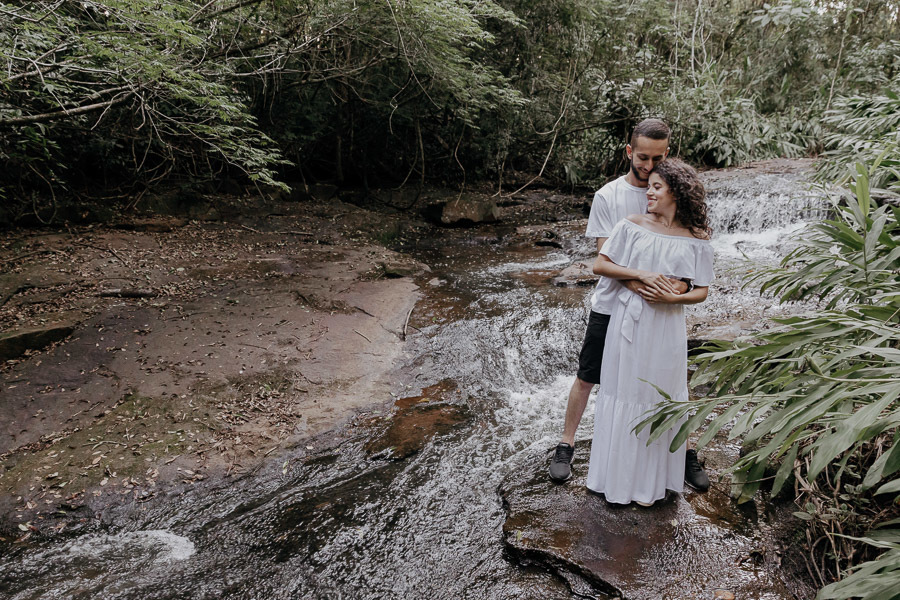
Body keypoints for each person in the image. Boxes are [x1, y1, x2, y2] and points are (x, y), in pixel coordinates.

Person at [549, 119, 710, 493]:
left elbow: (686, 257)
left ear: (666, 154)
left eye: (657, 158)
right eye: (642, 157)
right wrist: (646, 283)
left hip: (659, 313)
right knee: (588, 375)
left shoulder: (673, 189)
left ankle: (684, 453)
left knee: (669, 381)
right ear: (629, 152)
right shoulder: (609, 196)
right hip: (612, 304)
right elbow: (608, 259)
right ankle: (566, 445)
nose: (649, 166)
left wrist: (678, 287)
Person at [585, 158, 713, 505]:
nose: (649, 193)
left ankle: (652, 486)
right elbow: (601, 264)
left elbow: (701, 290)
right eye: (649, 186)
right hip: (631, 324)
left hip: (668, 326)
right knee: (625, 393)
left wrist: (676, 295)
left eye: (657, 187)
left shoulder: (697, 240)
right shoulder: (631, 225)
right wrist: (640, 275)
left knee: (660, 395)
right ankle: (616, 482)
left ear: (677, 192)